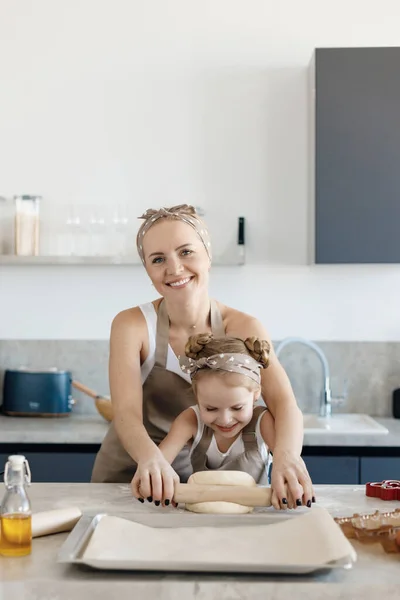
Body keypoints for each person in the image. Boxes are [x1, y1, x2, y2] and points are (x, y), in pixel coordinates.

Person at [91, 204, 314, 510]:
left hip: (201, 482)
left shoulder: (243, 327)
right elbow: (126, 413)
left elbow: (285, 404)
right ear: (148, 270)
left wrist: (287, 457)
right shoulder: (131, 324)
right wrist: (151, 459)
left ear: (208, 255)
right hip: (133, 471)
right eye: (158, 259)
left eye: (186, 252)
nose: (174, 269)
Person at [158, 333, 277, 490]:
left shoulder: (263, 423)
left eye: (237, 408)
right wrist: (159, 475)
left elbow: (289, 462)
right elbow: (157, 463)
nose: (225, 419)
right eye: (211, 408)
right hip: (201, 512)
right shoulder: (190, 421)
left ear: (256, 394)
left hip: (255, 513)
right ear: (197, 397)